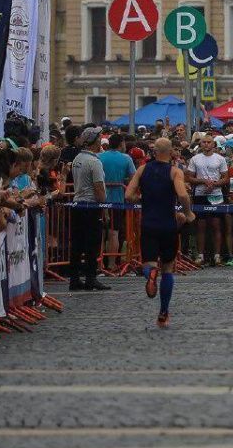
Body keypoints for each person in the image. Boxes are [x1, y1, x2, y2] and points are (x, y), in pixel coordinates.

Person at [126, 138, 195, 329]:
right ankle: (163, 313)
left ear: (153, 151)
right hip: (168, 224)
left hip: (148, 223)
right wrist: (187, 212)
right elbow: (182, 194)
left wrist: (142, 198)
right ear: (171, 151)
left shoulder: (142, 170)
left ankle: (150, 273)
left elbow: (128, 196)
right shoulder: (175, 171)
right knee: (168, 269)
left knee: (148, 263)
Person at [69, 127, 111, 291]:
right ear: (95, 141)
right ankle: (90, 278)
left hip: (77, 204)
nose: (101, 140)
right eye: (99, 138)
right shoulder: (94, 162)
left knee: (77, 243)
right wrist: (105, 209)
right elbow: (99, 188)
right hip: (92, 206)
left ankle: (74, 279)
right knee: (92, 244)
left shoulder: (77, 158)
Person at [185, 134, 230, 267]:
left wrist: (215, 184)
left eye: (209, 142)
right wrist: (203, 181)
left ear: (213, 144)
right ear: (201, 144)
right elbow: (189, 178)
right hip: (200, 194)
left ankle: (217, 256)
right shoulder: (195, 159)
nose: (206, 144)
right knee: (201, 226)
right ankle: (200, 255)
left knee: (216, 225)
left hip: (216, 194)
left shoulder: (220, 159)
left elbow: (225, 178)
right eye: (204, 142)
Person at [98, 133, 137, 271]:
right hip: (118, 199)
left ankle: (99, 263)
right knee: (114, 232)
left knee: (101, 233)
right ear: (121, 144)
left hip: (99, 198)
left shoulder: (99, 157)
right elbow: (134, 178)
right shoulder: (126, 158)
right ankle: (112, 263)